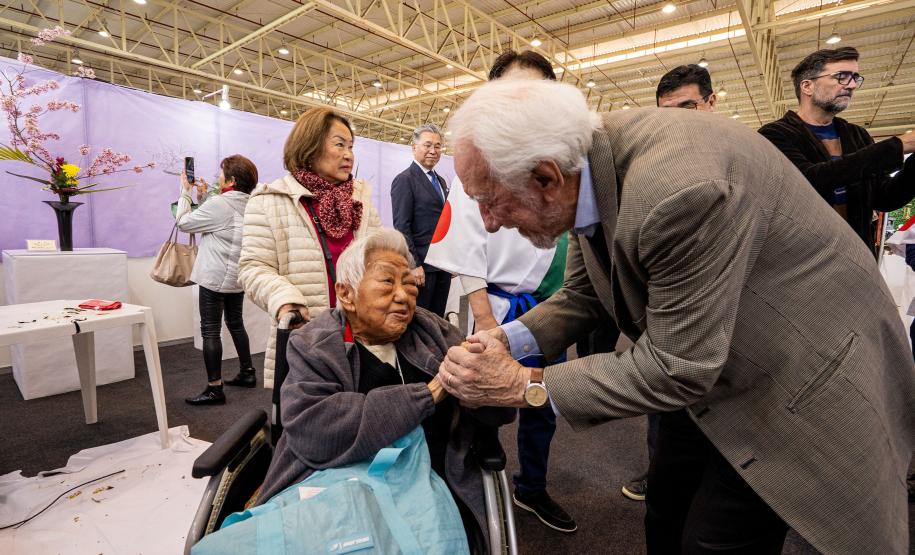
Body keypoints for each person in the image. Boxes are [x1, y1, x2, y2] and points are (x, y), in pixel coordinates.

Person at [436, 78, 915, 554]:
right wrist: (507, 339)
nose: (490, 223)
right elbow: (586, 293)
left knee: (715, 541)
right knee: (666, 509)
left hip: (791, 370)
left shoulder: (678, 191)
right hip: (710, 358)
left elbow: (677, 367)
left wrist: (524, 385)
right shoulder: (585, 166)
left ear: (545, 177)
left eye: (489, 200)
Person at [257, 229, 514, 553]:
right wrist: (430, 392)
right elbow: (316, 428)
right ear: (346, 293)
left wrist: (489, 383)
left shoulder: (432, 331)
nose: (404, 295)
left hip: (430, 488)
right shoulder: (314, 344)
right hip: (334, 489)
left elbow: (495, 410)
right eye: (387, 282)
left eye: (409, 284)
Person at [424, 49, 577, 534]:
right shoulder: (476, 160)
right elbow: (466, 250)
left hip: (550, 304)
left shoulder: (569, 162)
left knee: (541, 401)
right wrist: (488, 321)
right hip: (494, 303)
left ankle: (532, 486)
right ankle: (469, 488)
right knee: (481, 401)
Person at [620, 61, 722, 502]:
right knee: (667, 416)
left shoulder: (732, 158)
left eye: (688, 107)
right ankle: (659, 475)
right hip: (667, 321)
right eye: (668, 113)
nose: (678, 122)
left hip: (727, 320)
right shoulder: (651, 172)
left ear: (712, 103)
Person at [238, 107, 382, 389]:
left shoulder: (360, 201)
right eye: (339, 144)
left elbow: (377, 258)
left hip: (363, 336)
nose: (348, 154)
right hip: (308, 337)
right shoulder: (269, 201)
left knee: (369, 419)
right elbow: (253, 267)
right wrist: (284, 299)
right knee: (314, 426)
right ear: (310, 146)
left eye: (351, 146)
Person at [759, 47, 915, 255]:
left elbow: (884, 197)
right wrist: (899, 145)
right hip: (801, 259)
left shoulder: (857, 135)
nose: (851, 85)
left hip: (856, 255)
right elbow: (810, 180)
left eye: (855, 77)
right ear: (807, 86)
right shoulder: (775, 134)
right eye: (841, 77)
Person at [175, 155, 258, 405]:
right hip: (236, 277)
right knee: (236, 323)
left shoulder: (221, 204)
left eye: (221, 174)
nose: (217, 178)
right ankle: (247, 372)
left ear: (231, 180)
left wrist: (186, 192)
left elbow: (184, 223)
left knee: (210, 330)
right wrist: (204, 199)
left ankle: (214, 388)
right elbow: (219, 224)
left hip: (214, 276)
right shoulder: (251, 205)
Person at [391, 123, 451, 317]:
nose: (433, 151)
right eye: (427, 145)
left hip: (442, 265)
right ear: (414, 147)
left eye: (437, 146)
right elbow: (401, 226)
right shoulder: (405, 180)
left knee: (438, 318)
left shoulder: (440, 181)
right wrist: (414, 264)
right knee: (419, 319)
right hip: (421, 267)